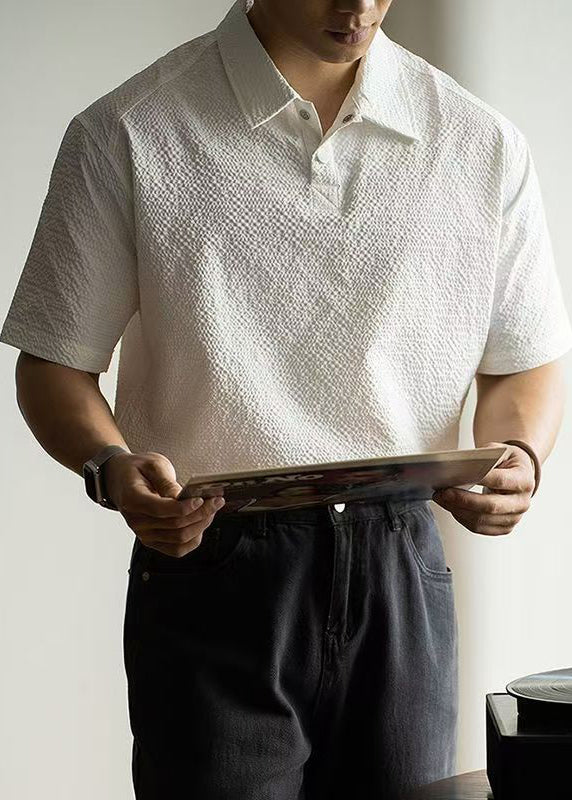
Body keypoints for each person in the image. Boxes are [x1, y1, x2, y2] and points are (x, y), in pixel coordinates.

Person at [1, 0, 571, 796]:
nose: (359, 5)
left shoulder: (481, 142)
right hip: (213, 555)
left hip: (401, 557)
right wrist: (110, 466)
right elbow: (54, 362)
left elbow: (523, 359)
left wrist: (520, 456)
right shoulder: (129, 131)